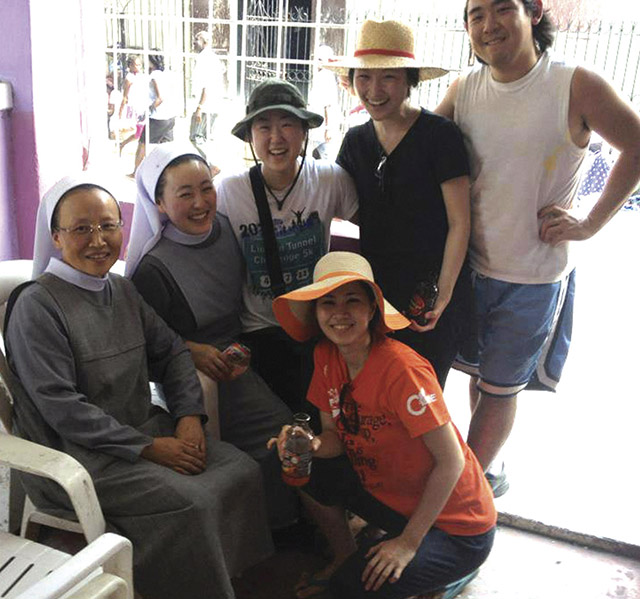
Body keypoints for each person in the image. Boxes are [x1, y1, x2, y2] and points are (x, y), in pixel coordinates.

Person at [4, 175, 273, 599]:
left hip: (145, 429)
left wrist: (188, 419)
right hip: (77, 454)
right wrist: (149, 448)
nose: (98, 240)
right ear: (56, 237)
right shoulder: (37, 306)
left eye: (109, 225)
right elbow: (62, 408)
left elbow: (173, 353)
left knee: (242, 468)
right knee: (192, 501)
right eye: (81, 229)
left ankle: (229, 579)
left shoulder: (122, 290)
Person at [435, 0, 640, 494]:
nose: (488, 25)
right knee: (479, 376)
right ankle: (482, 468)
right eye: (475, 15)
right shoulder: (464, 89)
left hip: (532, 277)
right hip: (469, 267)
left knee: (502, 389)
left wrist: (591, 222)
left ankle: (459, 494)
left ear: (533, 12)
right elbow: (418, 144)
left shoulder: (574, 84)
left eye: (502, 9)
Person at [270, 251, 496, 599]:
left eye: (352, 301)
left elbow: (451, 461)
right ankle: (348, 557)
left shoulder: (402, 370)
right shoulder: (326, 356)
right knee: (301, 466)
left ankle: (445, 572)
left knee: (351, 588)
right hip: (394, 501)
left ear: (372, 309)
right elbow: (334, 438)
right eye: (327, 302)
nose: (340, 313)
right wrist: (311, 444)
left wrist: (408, 543)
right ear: (316, 312)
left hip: (456, 527)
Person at [125, 142, 297, 528]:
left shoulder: (224, 228)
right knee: (279, 429)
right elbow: (144, 345)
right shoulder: (154, 270)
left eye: (206, 188)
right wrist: (190, 349)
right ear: (160, 204)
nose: (201, 202)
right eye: (185, 194)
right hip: (199, 375)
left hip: (243, 349)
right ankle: (276, 528)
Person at [325, 20, 473, 388]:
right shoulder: (355, 142)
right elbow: (345, 222)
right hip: (373, 295)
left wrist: (443, 293)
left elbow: (460, 223)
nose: (374, 91)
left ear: (410, 79)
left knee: (421, 397)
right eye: (364, 77)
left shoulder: (441, 136)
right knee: (374, 394)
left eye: (388, 77)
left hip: (428, 293)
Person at [216, 78, 358, 410]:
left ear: (304, 132)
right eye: (263, 127)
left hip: (316, 329)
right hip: (257, 332)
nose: (276, 138)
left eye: (287, 125)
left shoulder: (330, 179)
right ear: (250, 136)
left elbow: (382, 230)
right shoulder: (229, 190)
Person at [190, 30, 225, 160]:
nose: (194, 42)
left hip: (205, 106)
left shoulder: (204, 58)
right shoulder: (212, 57)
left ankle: (211, 164)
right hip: (211, 104)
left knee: (196, 138)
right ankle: (209, 164)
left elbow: (206, 85)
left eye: (197, 39)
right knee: (203, 138)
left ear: (205, 42)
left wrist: (199, 107)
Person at [118, 54, 148, 170]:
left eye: (140, 64)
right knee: (140, 132)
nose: (139, 67)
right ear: (130, 65)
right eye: (136, 65)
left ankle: (123, 144)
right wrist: (121, 111)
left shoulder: (142, 76)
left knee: (140, 133)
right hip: (136, 108)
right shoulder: (129, 78)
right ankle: (124, 145)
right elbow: (125, 96)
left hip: (143, 105)